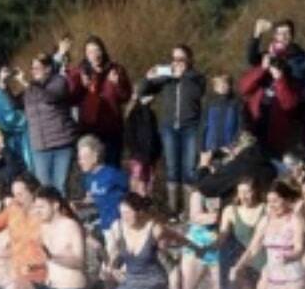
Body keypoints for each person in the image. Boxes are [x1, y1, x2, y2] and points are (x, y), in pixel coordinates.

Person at [95, 194, 187, 289]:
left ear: (140, 212)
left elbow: (176, 242)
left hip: (155, 285)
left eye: (128, 213)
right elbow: (114, 252)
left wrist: (197, 248)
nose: (124, 217)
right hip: (130, 283)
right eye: (121, 213)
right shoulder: (118, 226)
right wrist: (110, 268)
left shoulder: (154, 228)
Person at [137, 45, 206, 210]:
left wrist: (184, 75)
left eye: (181, 58)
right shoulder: (166, 78)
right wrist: (148, 77)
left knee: (189, 169)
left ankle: (190, 210)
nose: (177, 62)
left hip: (190, 127)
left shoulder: (197, 77)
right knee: (172, 169)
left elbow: (198, 93)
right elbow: (142, 91)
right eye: (174, 59)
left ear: (189, 59)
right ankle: (173, 210)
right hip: (169, 128)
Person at [232, 183, 305, 289]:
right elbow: (252, 249)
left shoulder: (295, 220)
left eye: (275, 201)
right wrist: (238, 266)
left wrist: (288, 257)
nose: (272, 205)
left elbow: (299, 249)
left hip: (292, 276)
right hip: (269, 276)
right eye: (269, 202)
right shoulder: (265, 220)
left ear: (286, 200)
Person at [13, 53, 78, 191]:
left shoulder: (59, 81)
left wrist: (26, 84)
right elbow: (14, 104)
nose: (33, 71)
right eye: (32, 68)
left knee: (61, 185)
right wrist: (3, 87)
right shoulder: (31, 88)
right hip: (40, 147)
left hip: (61, 144)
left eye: (37, 68)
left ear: (48, 68)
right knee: (44, 188)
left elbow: (49, 97)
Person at [63, 35, 132, 163]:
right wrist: (80, 84)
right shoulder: (79, 72)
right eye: (90, 52)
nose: (94, 55)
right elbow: (71, 99)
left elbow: (126, 96)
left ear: (103, 51)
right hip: (89, 129)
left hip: (112, 128)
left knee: (111, 167)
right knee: (91, 168)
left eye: (97, 50)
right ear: (85, 54)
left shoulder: (116, 69)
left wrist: (117, 84)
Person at [172, 183, 226, 289]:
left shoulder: (229, 192)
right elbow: (196, 217)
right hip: (197, 247)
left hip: (220, 248)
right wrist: (220, 216)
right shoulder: (199, 193)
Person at [238, 45, 305, 158]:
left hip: (274, 129)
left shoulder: (290, 81)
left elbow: (289, 104)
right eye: (273, 60)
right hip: (255, 121)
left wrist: (280, 79)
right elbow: (243, 88)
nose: (275, 64)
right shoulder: (260, 75)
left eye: (279, 61)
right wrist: (262, 69)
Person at [78, 137, 127, 233]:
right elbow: (90, 200)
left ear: (95, 157)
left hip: (115, 224)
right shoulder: (87, 178)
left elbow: (130, 194)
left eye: (84, 158)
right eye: (79, 158)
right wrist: (78, 204)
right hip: (98, 223)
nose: (80, 162)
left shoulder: (113, 174)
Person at [200, 74, 243, 166]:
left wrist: (236, 143)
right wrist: (202, 148)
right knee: (210, 171)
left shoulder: (236, 102)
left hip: (230, 147)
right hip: (211, 146)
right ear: (215, 87)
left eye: (225, 84)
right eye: (219, 85)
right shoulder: (208, 102)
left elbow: (240, 125)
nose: (222, 87)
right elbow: (203, 125)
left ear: (230, 86)